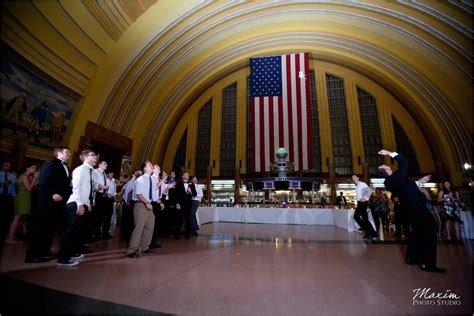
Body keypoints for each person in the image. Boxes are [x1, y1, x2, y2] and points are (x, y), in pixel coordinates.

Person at [378, 149, 446, 273]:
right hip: (418, 208)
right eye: (386, 166)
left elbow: (407, 187)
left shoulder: (391, 182)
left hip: (410, 210)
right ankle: (427, 263)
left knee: (416, 233)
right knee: (429, 232)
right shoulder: (396, 178)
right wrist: (389, 153)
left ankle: (412, 258)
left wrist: (420, 181)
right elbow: (404, 163)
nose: (387, 165)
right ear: (387, 171)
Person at [25, 147, 71, 263]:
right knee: (40, 228)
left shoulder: (66, 167)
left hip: (59, 203)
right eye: (67, 152)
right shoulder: (51, 163)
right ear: (59, 153)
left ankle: (45, 250)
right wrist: (53, 193)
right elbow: (43, 179)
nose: (69, 154)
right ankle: (32, 255)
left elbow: (65, 185)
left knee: (51, 228)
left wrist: (64, 196)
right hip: (46, 201)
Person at [57, 149, 97, 267]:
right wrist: (80, 203)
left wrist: (89, 204)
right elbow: (76, 187)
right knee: (70, 230)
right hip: (75, 203)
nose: (95, 157)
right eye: (93, 155)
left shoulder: (91, 172)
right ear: (85, 157)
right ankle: (63, 258)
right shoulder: (80, 170)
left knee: (78, 231)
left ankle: (73, 252)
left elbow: (89, 189)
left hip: (84, 203)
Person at [126, 161, 155, 258]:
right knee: (139, 228)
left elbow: (152, 193)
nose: (152, 166)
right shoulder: (140, 179)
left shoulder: (151, 179)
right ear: (145, 168)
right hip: (141, 205)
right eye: (150, 165)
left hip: (149, 205)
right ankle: (131, 250)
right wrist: (146, 202)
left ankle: (144, 247)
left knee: (150, 226)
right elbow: (138, 194)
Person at [5, 164, 38, 244]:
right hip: (21, 198)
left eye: (35, 168)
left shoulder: (27, 176)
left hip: (25, 198)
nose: (34, 169)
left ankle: (12, 236)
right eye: (33, 167)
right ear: (27, 167)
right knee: (16, 218)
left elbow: (34, 185)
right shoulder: (24, 176)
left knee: (21, 218)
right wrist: (36, 178)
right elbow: (29, 188)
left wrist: (35, 179)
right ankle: (9, 239)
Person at [170, 172, 196, 239]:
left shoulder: (192, 184)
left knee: (188, 220)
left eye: (188, 175)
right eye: (185, 175)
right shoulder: (178, 184)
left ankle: (187, 234)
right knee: (178, 220)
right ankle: (177, 235)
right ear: (182, 176)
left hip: (188, 205)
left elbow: (195, 194)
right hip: (180, 204)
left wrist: (191, 192)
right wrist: (177, 203)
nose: (187, 176)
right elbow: (175, 195)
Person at [352, 175, 377, 241]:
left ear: (358, 178)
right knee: (359, 217)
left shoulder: (362, 184)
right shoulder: (356, 185)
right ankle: (368, 232)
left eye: (354, 177)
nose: (353, 179)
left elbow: (370, 190)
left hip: (363, 203)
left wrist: (365, 198)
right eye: (352, 178)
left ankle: (372, 233)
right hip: (360, 203)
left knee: (360, 218)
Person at [0, 161, 17, 245]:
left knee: (6, 218)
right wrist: (2, 184)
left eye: (9, 166)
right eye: (6, 165)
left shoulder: (12, 177)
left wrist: (13, 198)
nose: (7, 167)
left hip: (8, 198)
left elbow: (13, 189)